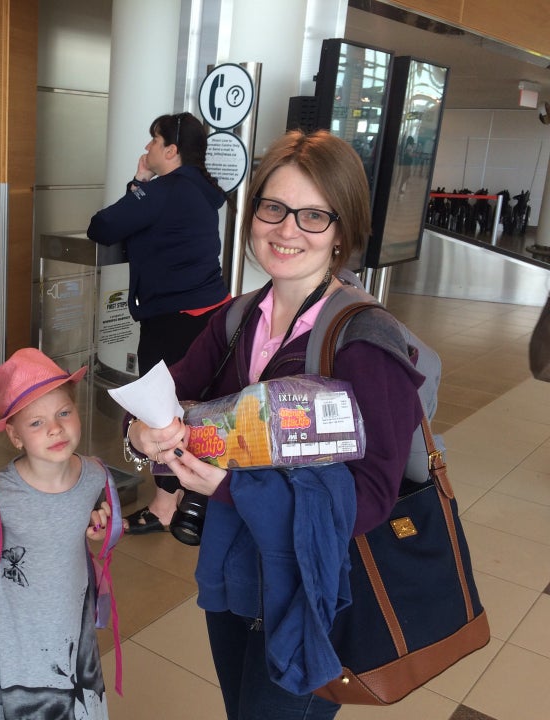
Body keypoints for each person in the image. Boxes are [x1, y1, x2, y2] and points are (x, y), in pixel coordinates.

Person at [123, 129, 426, 719]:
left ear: (343, 229)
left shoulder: (364, 342)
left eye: (314, 215)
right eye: (274, 208)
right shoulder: (237, 318)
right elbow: (171, 400)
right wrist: (143, 436)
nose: (287, 230)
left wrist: (232, 487)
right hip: (236, 573)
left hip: (315, 590)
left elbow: (369, 499)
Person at [0, 348, 112, 720]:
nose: (54, 428)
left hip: (69, 615)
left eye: (63, 413)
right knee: (22, 700)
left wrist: (103, 526)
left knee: (72, 695)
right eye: (36, 423)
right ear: (15, 436)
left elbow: (104, 514)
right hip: (13, 627)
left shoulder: (95, 476)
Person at [87, 111, 230, 535]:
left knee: (163, 412)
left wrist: (137, 186)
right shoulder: (205, 192)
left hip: (172, 319)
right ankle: (192, 491)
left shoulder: (164, 190)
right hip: (208, 312)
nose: (147, 148)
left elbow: (103, 226)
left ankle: (166, 505)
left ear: (171, 150)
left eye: (153, 141)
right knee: (194, 405)